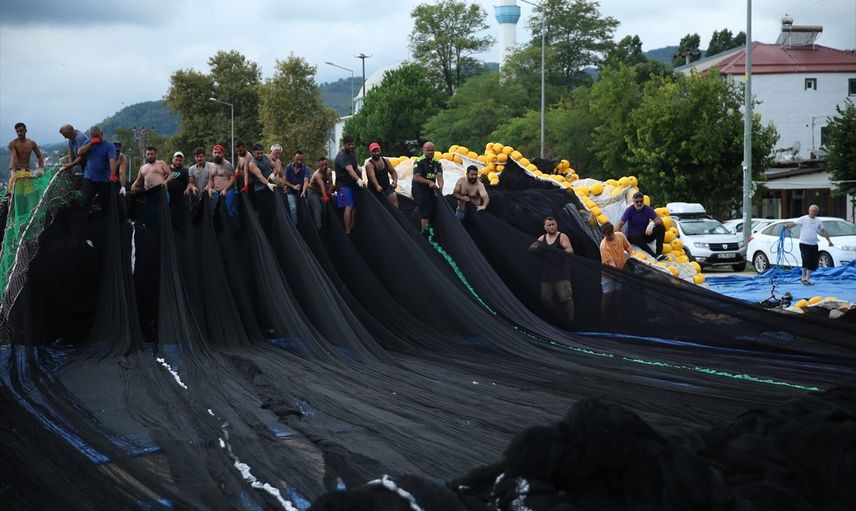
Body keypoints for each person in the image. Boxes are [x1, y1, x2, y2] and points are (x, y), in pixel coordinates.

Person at [529, 217, 575, 323]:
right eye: (549, 225)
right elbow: (531, 248)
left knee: (566, 298)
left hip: (561, 273)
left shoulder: (562, 236)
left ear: (556, 225)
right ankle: (554, 317)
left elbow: (570, 250)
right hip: (547, 273)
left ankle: (571, 320)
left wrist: (558, 251)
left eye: (553, 224)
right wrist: (538, 247)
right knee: (546, 299)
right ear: (545, 227)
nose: (552, 227)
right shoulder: (542, 238)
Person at [786, 204, 833, 286]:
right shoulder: (803, 219)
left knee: (813, 262)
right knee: (806, 259)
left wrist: (829, 241)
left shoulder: (818, 221)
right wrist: (786, 226)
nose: (813, 213)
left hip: (814, 244)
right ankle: (803, 277)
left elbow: (823, 231)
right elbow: (794, 224)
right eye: (812, 211)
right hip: (804, 243)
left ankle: (807, 278)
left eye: (815, 212)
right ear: (809, 211)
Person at [76, 126, 116, 213]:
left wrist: (113, 174)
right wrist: (91, 143)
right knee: (85, 201)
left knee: (105, 203)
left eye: (97, 136)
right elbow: (79, 152)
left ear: (101, 134)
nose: (96, 138)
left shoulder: (109, 145)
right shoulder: (89, 143)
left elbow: (112, 160)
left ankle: (104, 218)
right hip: (89, 177)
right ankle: (86, 218)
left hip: (104, 179)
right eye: (93, 136)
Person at [599, 221, 632, 323]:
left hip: (621, 271)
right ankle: (603, 317)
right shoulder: (604, 246)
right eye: (605, 235)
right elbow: (611, 264)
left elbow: (629, 248)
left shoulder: (620, 236)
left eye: (609, 234)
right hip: (609, 273)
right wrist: (620, 273)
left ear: (612, 232)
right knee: (607, 295)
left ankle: (616, 315)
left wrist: (630, 259)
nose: (607, 237)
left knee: (618, 293)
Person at [614, 192, 665, 258]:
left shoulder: (647, 209)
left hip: (645, 234)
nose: (639, 203)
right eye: (637, 202)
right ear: (633, 201)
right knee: (635, 236)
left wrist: (652, 224)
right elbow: (620, 223)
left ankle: (658, 252)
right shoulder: (629, 210)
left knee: (661, 227)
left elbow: (660, 221)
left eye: (641, 201)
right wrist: (618, 237)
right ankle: (653, 255)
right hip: (633, 236)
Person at [130, 146, 171, 228]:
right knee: (149, 214)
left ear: (156, 154)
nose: (150, 156)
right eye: (148, 154)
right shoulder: (143, 167)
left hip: (160, 192)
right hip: (148, 194)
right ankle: (150, 232)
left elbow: (170, 174)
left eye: (152, 154)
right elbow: (139, 180)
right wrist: (134, 185)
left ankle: (162, 232)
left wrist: (166, 181)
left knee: (161, 214)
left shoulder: (161, 163)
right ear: (145, 155)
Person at [411, 141, 444, 231]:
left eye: (432, 150)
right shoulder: (419, 161)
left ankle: (429, 229)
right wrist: (429, 182)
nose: (430, 152)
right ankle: (425, 234)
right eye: (428, 150)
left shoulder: (437, 163)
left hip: (431, 189)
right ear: (423, 150)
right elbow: (416, 177)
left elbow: (440, 177)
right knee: (425, 212)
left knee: (432, 210)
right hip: (419, 189)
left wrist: (441, 188)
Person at [334, 135, 363, 235]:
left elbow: (355, 166)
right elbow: (350, 170)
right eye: (348, 145)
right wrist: (358, 179)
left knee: (354, 207)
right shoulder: (342, 156)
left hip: (351, 185)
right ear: (344, 145)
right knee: (348, 206)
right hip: (343, 186)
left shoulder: (351, 154)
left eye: (352, 144)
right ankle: (347, 232)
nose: (351, 146)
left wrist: (358, 167)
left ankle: (352, 228)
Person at [7, 123, 45, 192]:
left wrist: (40, 169)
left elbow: (39, 156)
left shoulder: (32, 143)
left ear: (25, 130)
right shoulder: (13, 143)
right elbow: (14, 158)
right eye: (17, 131)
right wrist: (14, 173)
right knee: (15, 194)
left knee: (29, 194)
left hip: (27, 173)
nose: (19, 133)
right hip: (16, 171)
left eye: (21, 131)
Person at [365, 142, 398, 208]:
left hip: (386, 187)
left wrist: (395, 181)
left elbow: (393, 172)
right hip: (374, 190)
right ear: (370, 153)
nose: (376, 153)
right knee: (377, 207)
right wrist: (377, 186)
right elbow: (372, 177)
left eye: (378, 151)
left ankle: (396, 214)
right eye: (374, 151)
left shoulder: (386, 161)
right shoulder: (369, 164)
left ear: (380, 150)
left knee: (393, 197)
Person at [207, 144, 236, 216]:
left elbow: (233, 178)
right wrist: (210, 188)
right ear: (212, 153)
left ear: (223, 154)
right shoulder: (211, 166)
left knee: (228, 212)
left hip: (228, 191)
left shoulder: (227, 164)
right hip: (216, 192)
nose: (217, 154)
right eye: (215, 152)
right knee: (214, 213)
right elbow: (211, 179)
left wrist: (226, 189)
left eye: (219, 153)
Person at [283, 150, 310, 225]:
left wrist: (303, 190)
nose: (299, 161)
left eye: (301, 160)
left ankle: (305, 226)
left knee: (305, 209)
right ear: (293, 158)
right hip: (291, 191)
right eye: (297, 159)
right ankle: (294, 227)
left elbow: (306, 181)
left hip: (302, 192)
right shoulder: (289, 167)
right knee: (293, 208)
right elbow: (285, 181)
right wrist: (293, 186)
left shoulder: (306, 168)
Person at [307, 157, 333, 228]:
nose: (324, 167)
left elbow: (331, 183)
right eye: (322, 165)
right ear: (319, 166)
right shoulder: (317, 175)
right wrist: (325, 196)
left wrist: (329, 192)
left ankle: (325, 227)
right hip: (313, 192)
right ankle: (318, 228)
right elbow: (322, 186)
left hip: (321, 192)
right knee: (318, 208)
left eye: (326, 165)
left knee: (325, 209)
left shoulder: (329, 171)